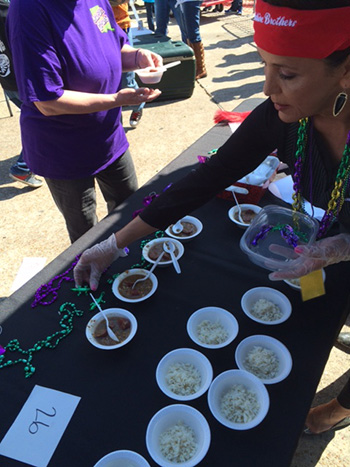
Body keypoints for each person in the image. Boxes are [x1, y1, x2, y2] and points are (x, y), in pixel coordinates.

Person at [74, 0, 350, 434]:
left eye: (287, 74)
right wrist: (114, 243)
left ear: (345, 71)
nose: (266, 88)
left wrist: (344, 245)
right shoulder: (284, 116)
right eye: (264, 66)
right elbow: (208, 178)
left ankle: (340, 408)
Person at [6, 0, 162, 243]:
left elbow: (115, 47)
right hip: (63, 150)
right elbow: (48, 101)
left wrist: (139, 57)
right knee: (86, 236)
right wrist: (115, 100)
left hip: (109, 136)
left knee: (131, 210)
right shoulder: (29, 9)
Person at [0, 0, 42, 188]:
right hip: (20, 79)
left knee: (38, 119)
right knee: (43, 120)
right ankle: (23, 167)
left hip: (8, 79)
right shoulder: (11, 10)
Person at [112, 0, 146, 127]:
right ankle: (116, 124)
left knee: (127, 81)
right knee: (108, 83)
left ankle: (138, 106)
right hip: (95, 28)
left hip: (120, 25)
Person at [177, 0, 207, 79]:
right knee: (188, 34)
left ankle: (201, 68)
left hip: (190, 1)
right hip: (183, 2)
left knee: (193, 34)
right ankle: (194, 66)